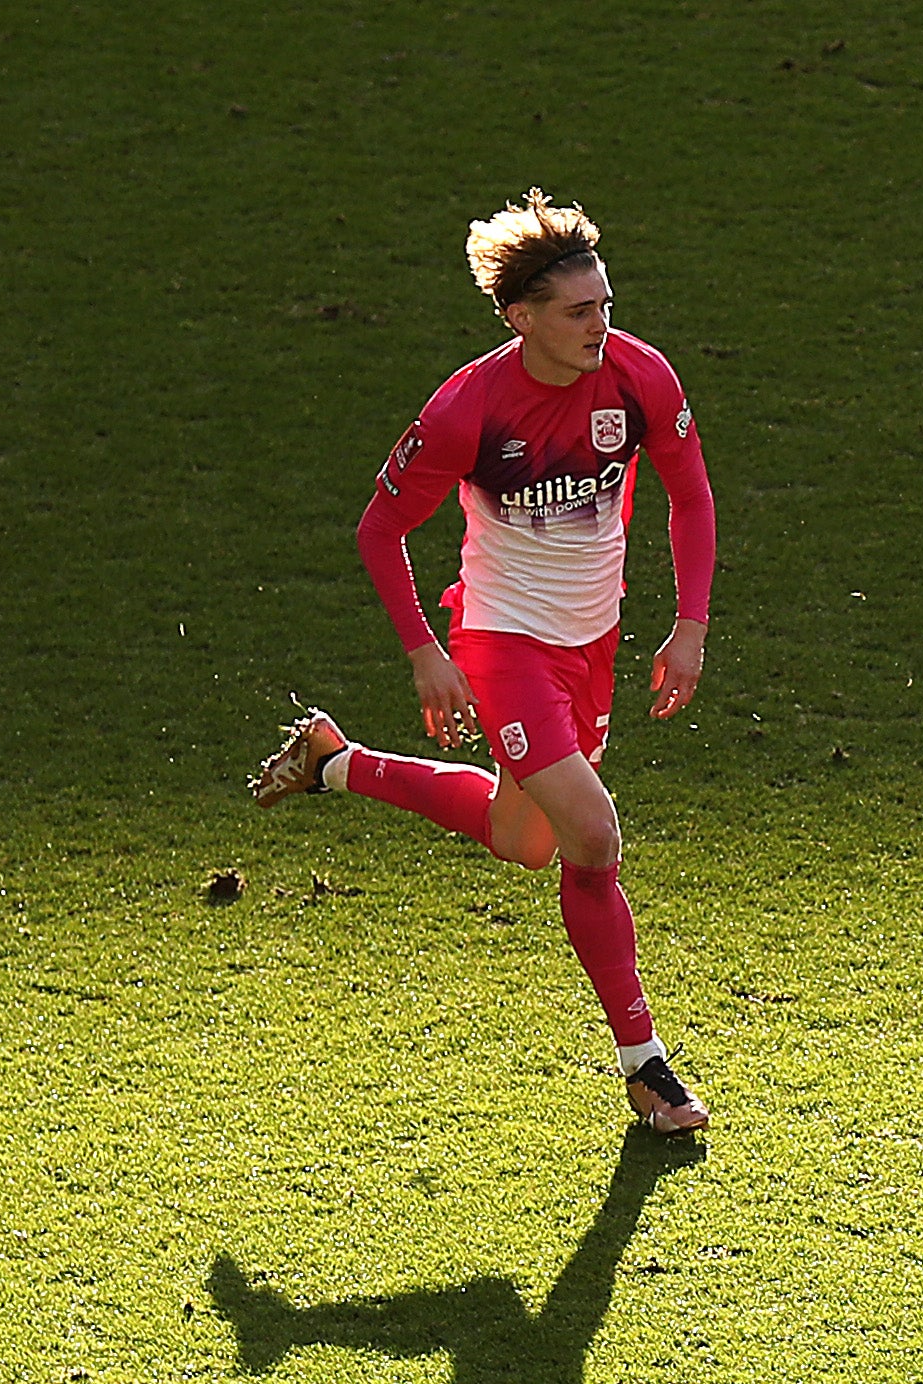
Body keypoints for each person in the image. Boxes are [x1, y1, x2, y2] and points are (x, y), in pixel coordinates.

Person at [248, 190, 720, 1136]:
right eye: (580, 312)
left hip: (592, 644)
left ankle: (335, 761)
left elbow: (692, 498)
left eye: (607, 306)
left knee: (525, 839)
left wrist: (690, 627)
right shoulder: (469, 408)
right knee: (593, 837)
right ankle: (648, 1069)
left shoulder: (639, 379)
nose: (602, 326)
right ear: (523, 317)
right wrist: (427, 652)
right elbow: (380, 529)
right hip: (503, 647)